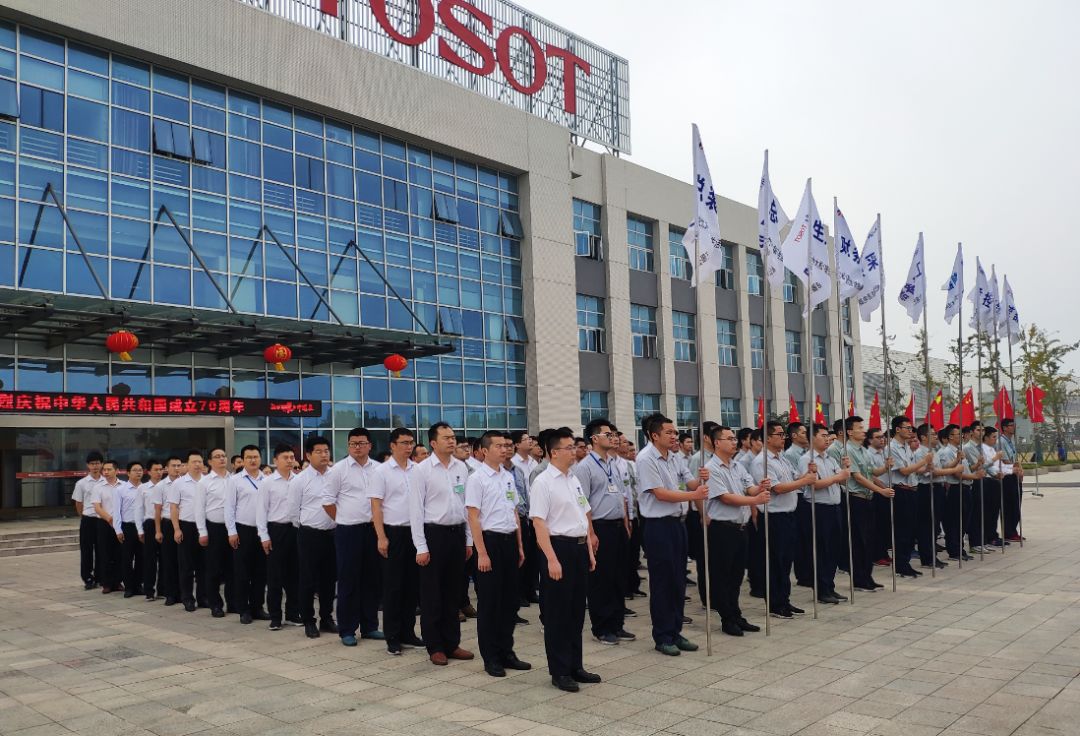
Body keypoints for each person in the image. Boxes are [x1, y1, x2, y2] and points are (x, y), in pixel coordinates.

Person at [530, 428, 600, 692]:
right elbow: (539, 524)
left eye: (575, 446)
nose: (575, 451)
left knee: (575, 612)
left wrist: (590, 552)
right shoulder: (543, 482)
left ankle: (575, 665)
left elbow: (583, 515)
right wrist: (551, 559)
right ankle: (559, 671)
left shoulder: (573, 479)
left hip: (579, 549)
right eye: (569, 447)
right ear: (554, 452)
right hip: (558, 549)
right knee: (558, 614)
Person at [636, 413, 708, 656]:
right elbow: (661, 493)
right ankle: (663, 635)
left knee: (678, 579)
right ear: (654, 435)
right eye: (669, 432)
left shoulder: (675, 457)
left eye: (675, 432)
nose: (674, 436)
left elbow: (689, 484)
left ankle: (675, 630)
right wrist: (694, 496)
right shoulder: (646, 459)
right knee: (663, 582)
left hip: (678, 524)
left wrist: (701, 481)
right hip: (658, 526)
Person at [410, 422, 473, 665]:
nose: (451, 441)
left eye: (453, 437)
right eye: (446, 437)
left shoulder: (461, 468)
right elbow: (415, 510)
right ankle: (434, 645)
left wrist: (468, 540)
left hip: (457, 534)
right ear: (433, 443)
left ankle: (452, 643)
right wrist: (421, 547)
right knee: (432, 594)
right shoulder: (421, 470)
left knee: (453, 592)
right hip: (433, 535)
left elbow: (466, 505)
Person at [467, 431, 529, 677]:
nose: (505, 449)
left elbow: (514, 512)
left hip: (509, 542)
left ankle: (507, 652)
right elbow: (473, 517)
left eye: (506, 445)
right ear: (484, 451)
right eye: (499, 446)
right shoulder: (477, 478)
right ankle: (490, 657)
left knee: (509, 601)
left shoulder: (508, 477)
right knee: (490, 603)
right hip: (489, 543)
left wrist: (520, 545)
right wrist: (481, 553)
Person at [704, 425, 771, 635]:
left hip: (740, 528)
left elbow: (747, 487)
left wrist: (759, 488)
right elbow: (725, 497)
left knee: (736, 575)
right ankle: (727, 619)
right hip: (722, 529)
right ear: (717, 443)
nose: (734, 442)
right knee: (722, 575)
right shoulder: (711, 468)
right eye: (729, 439)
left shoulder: (737, 466)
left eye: (734, 439)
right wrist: (755, 499)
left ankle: (736, 614)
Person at [572, 419, 632, 646]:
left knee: (618, 577)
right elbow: (582, 502)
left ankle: (617, 624)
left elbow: (621, 496)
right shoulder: (585, 467)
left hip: (617, 526)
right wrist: (591, 533)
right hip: (600, 527)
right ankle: (602, 627)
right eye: (608, 434)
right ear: (594, 438)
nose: (613, 437)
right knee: (601, 580)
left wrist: (626, 523)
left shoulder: (614, 464)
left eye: (614, 434)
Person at [323, 428, 383, 646]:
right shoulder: (338, 470)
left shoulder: (379, 469)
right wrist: (344, 518)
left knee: (371, 580)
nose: (358, 447)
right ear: (348, 446)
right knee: (348, 580)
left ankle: (370, 626)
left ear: (370, 445)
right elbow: (327, 501)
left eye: (362, 443)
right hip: (348, 531)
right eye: (353, 443)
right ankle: (347, 629)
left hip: (373, 530)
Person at [751, 421, 816, 619]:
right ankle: (775, 603)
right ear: (767, 438)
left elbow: (795, 480)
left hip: (788, 515)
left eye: (782, 434)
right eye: (779, 434)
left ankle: (784, 599)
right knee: (775, 561)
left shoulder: (782, 459)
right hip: (773, 518)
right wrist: (804, 481)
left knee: (786, 561)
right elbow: (777, 488)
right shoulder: (762, 462)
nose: (783, 437)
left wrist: (809, 473)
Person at [370, 428, 425, 655]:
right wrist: (381, 536)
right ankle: (392, 636)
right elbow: (376, 506)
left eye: (411, 442)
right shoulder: (381, 471)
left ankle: (408, 632)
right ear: (392, 445)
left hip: (416, 533)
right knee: (393, 587)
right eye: (403, 443)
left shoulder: (419, 470)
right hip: (393, 533)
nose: (408, 447)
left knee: (412, 586)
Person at [798, 424, 850, 605]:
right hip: (818, 509)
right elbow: (814, 484)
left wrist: (844, 470)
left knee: (834, 549)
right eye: (823, 435)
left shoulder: (829, 459)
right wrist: (837, 477)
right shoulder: (808, 459)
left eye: (828, 435)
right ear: (812, 438)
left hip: (834, 507)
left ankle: (830, 586)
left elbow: (842, 477)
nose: (827, 438)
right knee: (821, 550)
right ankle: (821, 589)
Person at [294, 436, 338, 638]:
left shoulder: (336, 475)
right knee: (307, 580)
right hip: (309, 535)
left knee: (329, 580)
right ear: (308, 455)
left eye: (326, 451)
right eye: (318, 451)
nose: (324, 455)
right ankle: (309, 621)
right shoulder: (300, 480)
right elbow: (293, 513)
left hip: (333, 534)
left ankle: (327, 618)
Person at [843, 418, 894, 591]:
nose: (863, 430)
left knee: (869, 540)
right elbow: (857, 477)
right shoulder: (848, 450)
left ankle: (867, 576)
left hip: (867, 499)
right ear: (850, 432)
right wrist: (880, 491)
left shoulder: (863, 450)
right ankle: (859, 579)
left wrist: (886, 468)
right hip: (856, 498)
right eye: (859, 428)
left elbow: (871, 473)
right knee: (858, 541)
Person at [258, 444, 302, 631]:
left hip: (296, 530)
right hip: (275, 530)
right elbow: (261, 511)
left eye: (292, 457)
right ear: (275, 460)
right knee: (275, 577)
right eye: (286, 457)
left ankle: (292, 614)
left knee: (295, 576)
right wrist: (264, 536)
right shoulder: (267, 482)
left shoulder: (299, 480)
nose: (290, 460)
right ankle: (275, 617)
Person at [226, 445, 270, 625]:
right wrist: (232, 532)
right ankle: (243, 609)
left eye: (256, 457)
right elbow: (229, 508)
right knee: (242, 572)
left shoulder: (267, 480)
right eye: (249, 457)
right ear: (242, 460)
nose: (253, 460)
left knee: (261, 572)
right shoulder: (235, 480)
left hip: (262, 531)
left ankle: (257, 607)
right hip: (242, 530)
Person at [887, 417, 929, 578]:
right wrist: (924, 461)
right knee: (902, 531)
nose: (910, 431)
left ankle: (906, 563)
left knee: (911, 530)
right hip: (901, 491)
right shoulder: (892, 448)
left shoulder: (906, 447)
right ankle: (900, 565)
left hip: (912, 490)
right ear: (897, 429)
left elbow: (913, 470)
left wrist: (925, 467)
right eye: (907, 428)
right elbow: (904, 471)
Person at [196, 448, 233, 618]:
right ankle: (215, 604)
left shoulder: (234, 479)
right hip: (214, 528)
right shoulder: (204, 482)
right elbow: (199, 509)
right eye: (217, 457)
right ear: (209, 462)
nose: (221, 459)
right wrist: (202, 531)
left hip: (233, 529)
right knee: (213, 569)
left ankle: (234, 603)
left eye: (223, 456)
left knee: (233, 568)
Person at [686, 421, 718, 609]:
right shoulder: (699, 458)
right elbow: (695, 488)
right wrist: (702, 513)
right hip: (703, 515)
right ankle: (708, 599)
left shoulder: (716, 457)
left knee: (716, 559)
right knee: (705, 560)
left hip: (716, 515)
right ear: (706, 437)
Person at [170, 450, 207, 612]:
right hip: (187, 526)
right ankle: (187, 598)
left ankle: (203, 597)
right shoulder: (179, 483)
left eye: (200, 461)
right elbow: (173, 507)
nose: (197, 464)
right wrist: (176, 529)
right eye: (194, 462)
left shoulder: (208, 481)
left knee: (204, 566)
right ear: (187, 464)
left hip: (205, 527)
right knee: (186, 566)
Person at [913, 426, 945, 570]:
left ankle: (932, 555)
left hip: (937, 488)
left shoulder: (934, 452)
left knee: (934, 523)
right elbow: (929, 472)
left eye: (935, 433)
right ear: (923, 437)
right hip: (927, 489)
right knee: (926, 525)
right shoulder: (920, 453)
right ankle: (927, 557)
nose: (935, 436)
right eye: (932, 434)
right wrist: (953, 470)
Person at [89, 460, 124, 594]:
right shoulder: (98, 487)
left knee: (119, 553)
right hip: (104, 523)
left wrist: (117, 521)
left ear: (117, 470)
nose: (106, 472)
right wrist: (109, 519)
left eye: (109, 469)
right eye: (105, 470)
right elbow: (97, 507)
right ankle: (106, 583)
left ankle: (118, 581)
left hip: (120, 523)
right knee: (104, 553)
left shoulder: (123, 486)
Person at [935, 425, 969, 561]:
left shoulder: (959, 451)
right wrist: (974, 476)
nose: (960, 436)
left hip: (964, 487)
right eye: (957, 434)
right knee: (953, 521)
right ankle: (954, 549)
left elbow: (965, 469)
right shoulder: (946, 452)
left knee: (963, 520)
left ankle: (959, 547)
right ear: (949, 437)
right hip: (954, 488)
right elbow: (952, 471)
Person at [73, 451, 104, 590]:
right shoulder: (81, 483)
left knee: (101, 549)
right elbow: (78, 503)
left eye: (97, 463)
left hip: (102, 520)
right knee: (87, 550)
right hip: (88, 519)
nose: (95, 466)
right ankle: (88, 578)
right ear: (88, 465)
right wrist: (83, 516)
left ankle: (100, 576)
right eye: (92, 464)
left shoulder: (106, 481)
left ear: (102, 464)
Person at [114, 461, 145, 598]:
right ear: (128, 473)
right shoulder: (121, 489)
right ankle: (129, 587)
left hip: (143, 527)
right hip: (128, 527)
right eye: (135, 470)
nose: (138, 472)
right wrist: (118, 530)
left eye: (140, 470)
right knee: (127, 558)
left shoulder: (146, 488)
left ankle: (138, 585)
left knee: (141, 558)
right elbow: (116, 511)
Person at [158, 456, 183, 605]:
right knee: (169, 560)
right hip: (167, 524)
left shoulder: (185, 483)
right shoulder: (161, 486)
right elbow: (157, 510)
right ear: (166, 468)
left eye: (179, 465)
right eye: (173, 465)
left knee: (183, 561)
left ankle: (182, 593)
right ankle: (170, 594)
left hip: (184, 523)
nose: (176, 468)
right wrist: (158, 530)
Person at [141, 460, 164, 601]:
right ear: (149, 472)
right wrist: (139, 529)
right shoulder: (143, 488)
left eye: (161, 469)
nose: (159, 472)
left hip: (164, 523)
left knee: (165, 559)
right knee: (150, 559)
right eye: (156, 469)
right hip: (149, 524)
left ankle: (162, 589)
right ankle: (149, 590)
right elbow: (138, 510)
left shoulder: (168, 486)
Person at [981, 426, 1006, 549]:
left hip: (995, 480)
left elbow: (999, 466)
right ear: (986, 437)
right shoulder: (982, 449)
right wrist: (995, 473)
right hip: (988, 481)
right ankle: (989, 536)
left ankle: (993, 534)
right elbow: (986, 465)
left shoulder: (992, 449)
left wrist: (1012, 469)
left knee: (995, 510)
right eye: (993, 437)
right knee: (989, 511)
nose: (995, 440)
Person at [999, 418, 1023, 541]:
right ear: (1004, 428)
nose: (1013, 427)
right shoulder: (1001, 441)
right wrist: (1016, 468)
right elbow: (1004, 460)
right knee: (1009, 505)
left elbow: (1015, 459)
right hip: (1007, 476)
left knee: (1016, 504)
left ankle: (1013, 530)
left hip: (1014, 474)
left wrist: (1020, 470)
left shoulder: (1010, 441)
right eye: (1011, 425)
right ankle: (1008, 532)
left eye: (1014, 425)